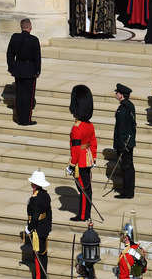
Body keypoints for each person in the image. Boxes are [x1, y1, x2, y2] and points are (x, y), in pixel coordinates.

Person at [67, 85, 97, 221]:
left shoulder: (77, 128)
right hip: (88, 159)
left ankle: (83, 215)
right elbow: (93, 142)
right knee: (86, 188)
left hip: (80, 162)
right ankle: (86, 213)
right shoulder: (89, 125)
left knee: (83, 189)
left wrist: (72, 165)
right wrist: (94, 158)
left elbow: (76, 150)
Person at [7, 18, 41, 126]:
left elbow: (10, 54)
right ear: (30, 28)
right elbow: (37, 57)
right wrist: (38, 70)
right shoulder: (34, 39)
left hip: (18, 69)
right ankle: (26, 120)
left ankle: (19, 118)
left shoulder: (14, 37)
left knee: (20, 94)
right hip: (30, 70)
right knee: (28, 96)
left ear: (21, 27)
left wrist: (12, 68)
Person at [21, 170, 52, 279]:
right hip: (44, 228)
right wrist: (48, 227)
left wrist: (29, 228)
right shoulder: (45, 195)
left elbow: (34, 218)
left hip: (37, 230)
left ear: (34, 185)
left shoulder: (35, 199)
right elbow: (49, 214)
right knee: (43, 255)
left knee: (38, 256)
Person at [113, 83, 136, 199]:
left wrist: (122, 145)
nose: (116, 94)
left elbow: (122, 128)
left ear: (121, 95)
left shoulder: (123, 109)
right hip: (128, 142)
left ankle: (127, 192)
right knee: (128, 167)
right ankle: (129, 190)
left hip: (124, 143)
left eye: (117, 92)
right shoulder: (129, 105)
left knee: (126, 168)